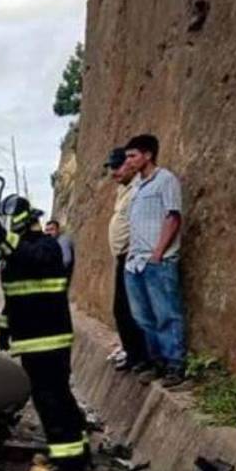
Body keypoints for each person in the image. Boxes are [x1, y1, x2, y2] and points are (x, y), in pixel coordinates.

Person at [0, 197, 89, 471]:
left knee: (50, 398)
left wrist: (6, 240)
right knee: (58, 394)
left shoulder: (46, 246)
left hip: (48, 339)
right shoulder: (18, 251)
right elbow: (15, 294)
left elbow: (29, 258)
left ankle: (66, 462)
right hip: (34, 338)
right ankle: (76, 450)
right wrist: (4, 326)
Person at [123, 133, 187, 388]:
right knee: (143, 318)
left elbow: (173, 217)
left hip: (157, 261)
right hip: (135, 262)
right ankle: (157, 362)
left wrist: (158, 253)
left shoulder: (165, 180)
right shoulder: (137, 186)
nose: (128, 161)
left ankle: (175, 365)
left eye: (132, 155)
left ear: (148, 155)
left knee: (166, 314)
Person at [103, 147, 148, 371]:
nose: (113, 172)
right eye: (111, 168)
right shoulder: (123, 190)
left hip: (134, 257)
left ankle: (143, 357)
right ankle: (133, 354)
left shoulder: (139, 189)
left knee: (133, 310)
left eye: (117, 166)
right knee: (122, 310)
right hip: (123, 259)